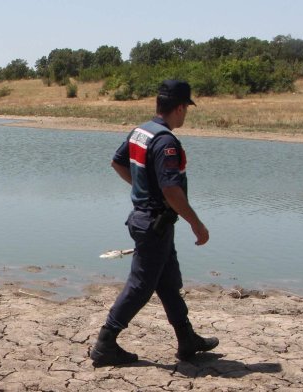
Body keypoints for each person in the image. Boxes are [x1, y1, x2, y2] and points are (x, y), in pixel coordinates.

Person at [89, 79, 218, 367]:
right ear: (181, 107)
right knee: (140, 286)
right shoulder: (165, 141)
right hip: (153, 224)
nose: (186, 114)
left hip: (149, 220)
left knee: (169, 282)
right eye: (186, 109)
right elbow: (171, 189)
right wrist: (196, 223)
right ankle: (106, 342)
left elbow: (117, 162)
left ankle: (186, 339)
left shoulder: (141, 132)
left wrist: (142, 188)